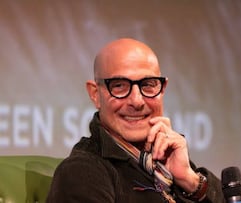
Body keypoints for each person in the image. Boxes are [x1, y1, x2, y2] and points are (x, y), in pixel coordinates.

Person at [46, 38, 226, 203]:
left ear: (162, 89)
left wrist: (191, 181)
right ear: (95, 94)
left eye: (148, 85)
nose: (137, 101)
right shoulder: (82, 172)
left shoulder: (167, 165)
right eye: (119, 86)